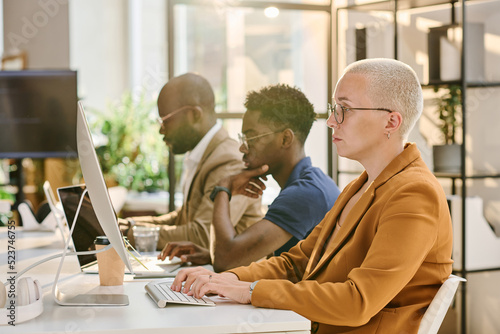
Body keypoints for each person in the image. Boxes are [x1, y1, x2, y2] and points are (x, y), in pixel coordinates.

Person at [170, 59, 454, 334]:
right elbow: (297, 262)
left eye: (344, 109)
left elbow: (357, 302)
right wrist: (227, 278)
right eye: (333, 108)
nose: (331, 121)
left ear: (391, 122)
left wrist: (249, 290)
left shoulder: (414, 194)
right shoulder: (360, 186)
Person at [159, 84, 340, 272]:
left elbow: (225, 259)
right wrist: (209, 255)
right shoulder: (308, 183)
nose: (242, 148)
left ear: (286, 139)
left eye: (251, 138)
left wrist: (223, 188)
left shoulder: (305, 193)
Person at [122, 73, 262, 262]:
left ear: (195, 115)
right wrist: (129, 224)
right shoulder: (203, 154)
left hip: (231, 278)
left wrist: (129, 233)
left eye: (165, 120)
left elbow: (203, 235)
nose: (161, 130)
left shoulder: (228, 160)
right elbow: (183, 218)